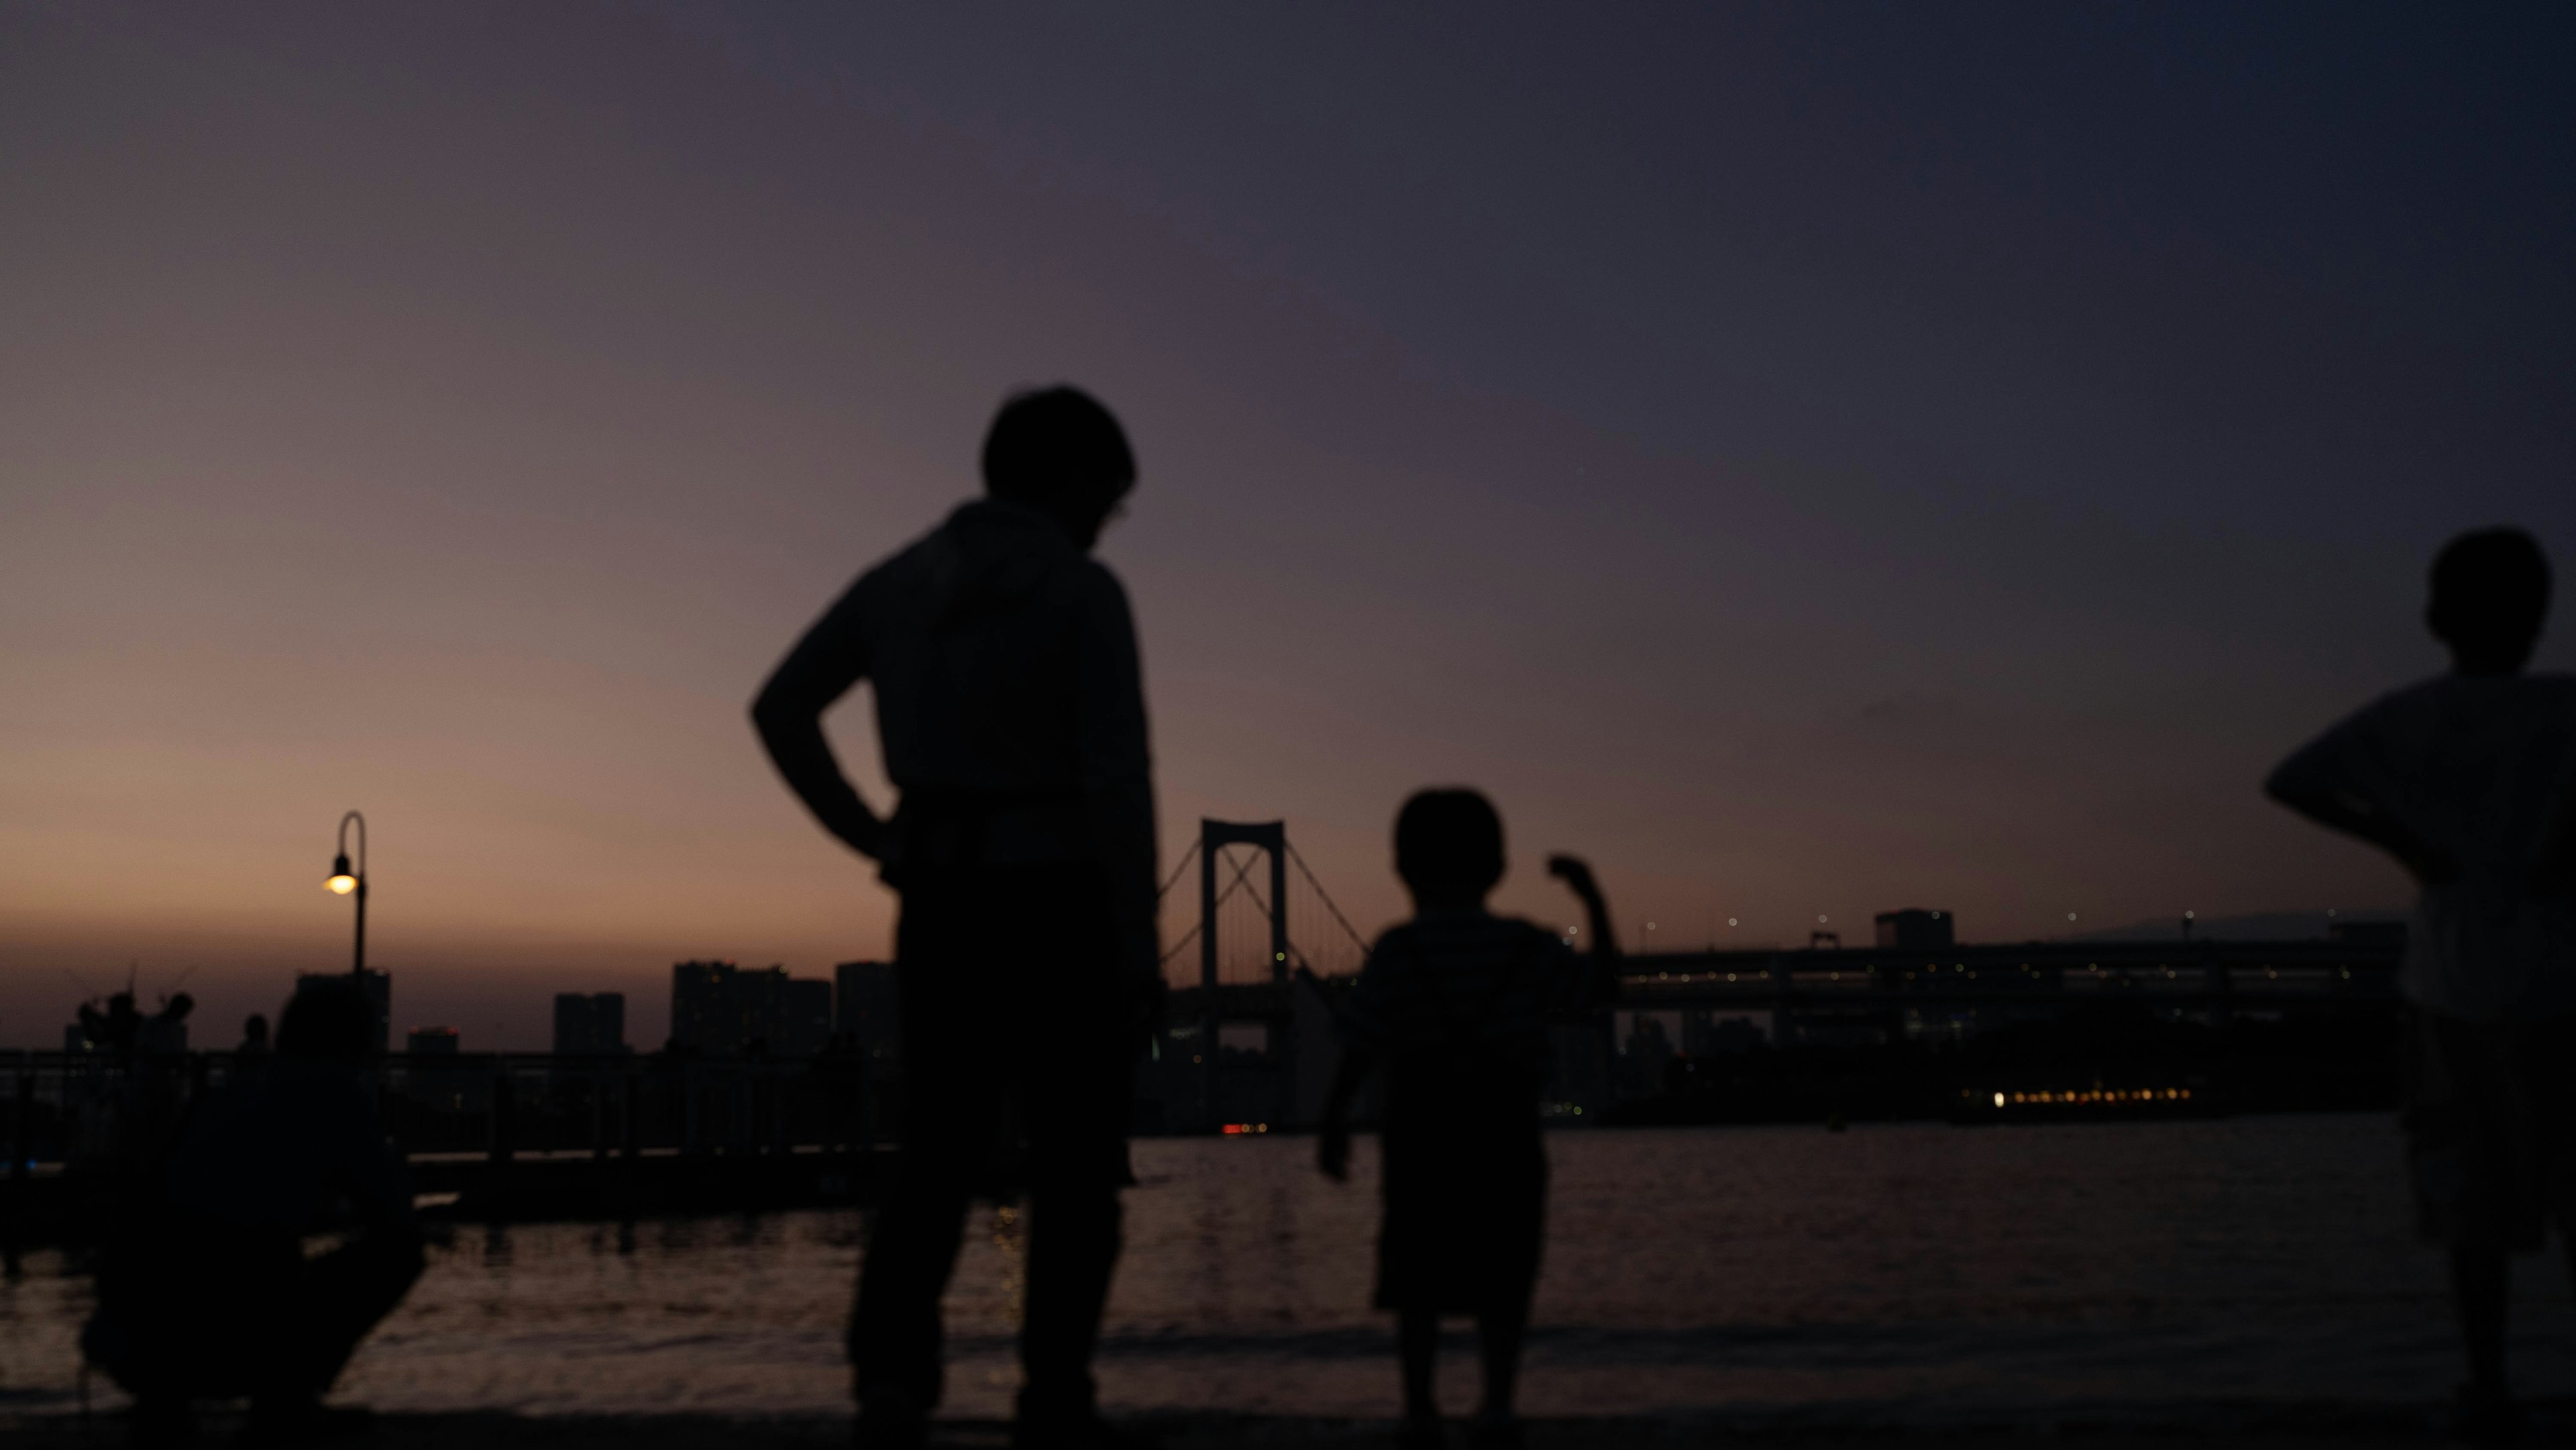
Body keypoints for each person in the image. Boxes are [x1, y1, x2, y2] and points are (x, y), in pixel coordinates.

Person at [752, 386, 1160, 1450]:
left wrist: (872, 835)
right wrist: (1135, 942)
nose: (1103, 521)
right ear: (1069, 475)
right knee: (1075, 1157)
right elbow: (1119, 778)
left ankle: (890, 1382)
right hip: (1059, 889)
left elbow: (780, 707)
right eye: (1105, 498)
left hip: (938, 893)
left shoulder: (897, 581)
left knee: (937, 1148)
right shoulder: (1083, 590)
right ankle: (1055, 1389)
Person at [2266, 527, 2576, 1443]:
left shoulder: (2408, 718)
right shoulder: (2567, 707)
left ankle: (2489, 1388)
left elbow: (2294, 781)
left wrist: (2405, 844)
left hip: (2450, 987)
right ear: (2539, 614)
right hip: (2567, 982)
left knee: (2469, 1207)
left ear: (2437, 617)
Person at [1317, 788, 1621, 1450]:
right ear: (1499, 868)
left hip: (1420, 1135)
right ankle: (1496, 1405)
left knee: (1415, 1274)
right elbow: (1602, 987)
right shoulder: (1526, 945)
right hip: (1504, 1133)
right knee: (1505, 1268)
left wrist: (1332, 1122)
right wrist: (1591, 894)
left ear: (1401, 868)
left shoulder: (1397, 951)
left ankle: (1420, 1409)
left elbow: (1360, 1044)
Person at [83, 978, 425, 1446]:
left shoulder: (227, 1093)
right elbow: (392, 1212)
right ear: (353, 1044)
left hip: (129, 1322)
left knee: (239, 1247)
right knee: (399, 1252)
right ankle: (285, 1399)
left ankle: (167, 1402)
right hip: (227, 1329)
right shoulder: (333, 1092)